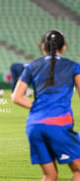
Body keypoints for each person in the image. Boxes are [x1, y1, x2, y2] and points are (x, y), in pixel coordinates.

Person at [12, 30, 80, 181]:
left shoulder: (32, 66)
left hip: (34, 126)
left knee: (50, 175)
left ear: (43, 47)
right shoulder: (73, 66)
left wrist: (38, 108)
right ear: (64, 47)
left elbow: (16, 97)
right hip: (58, 124)